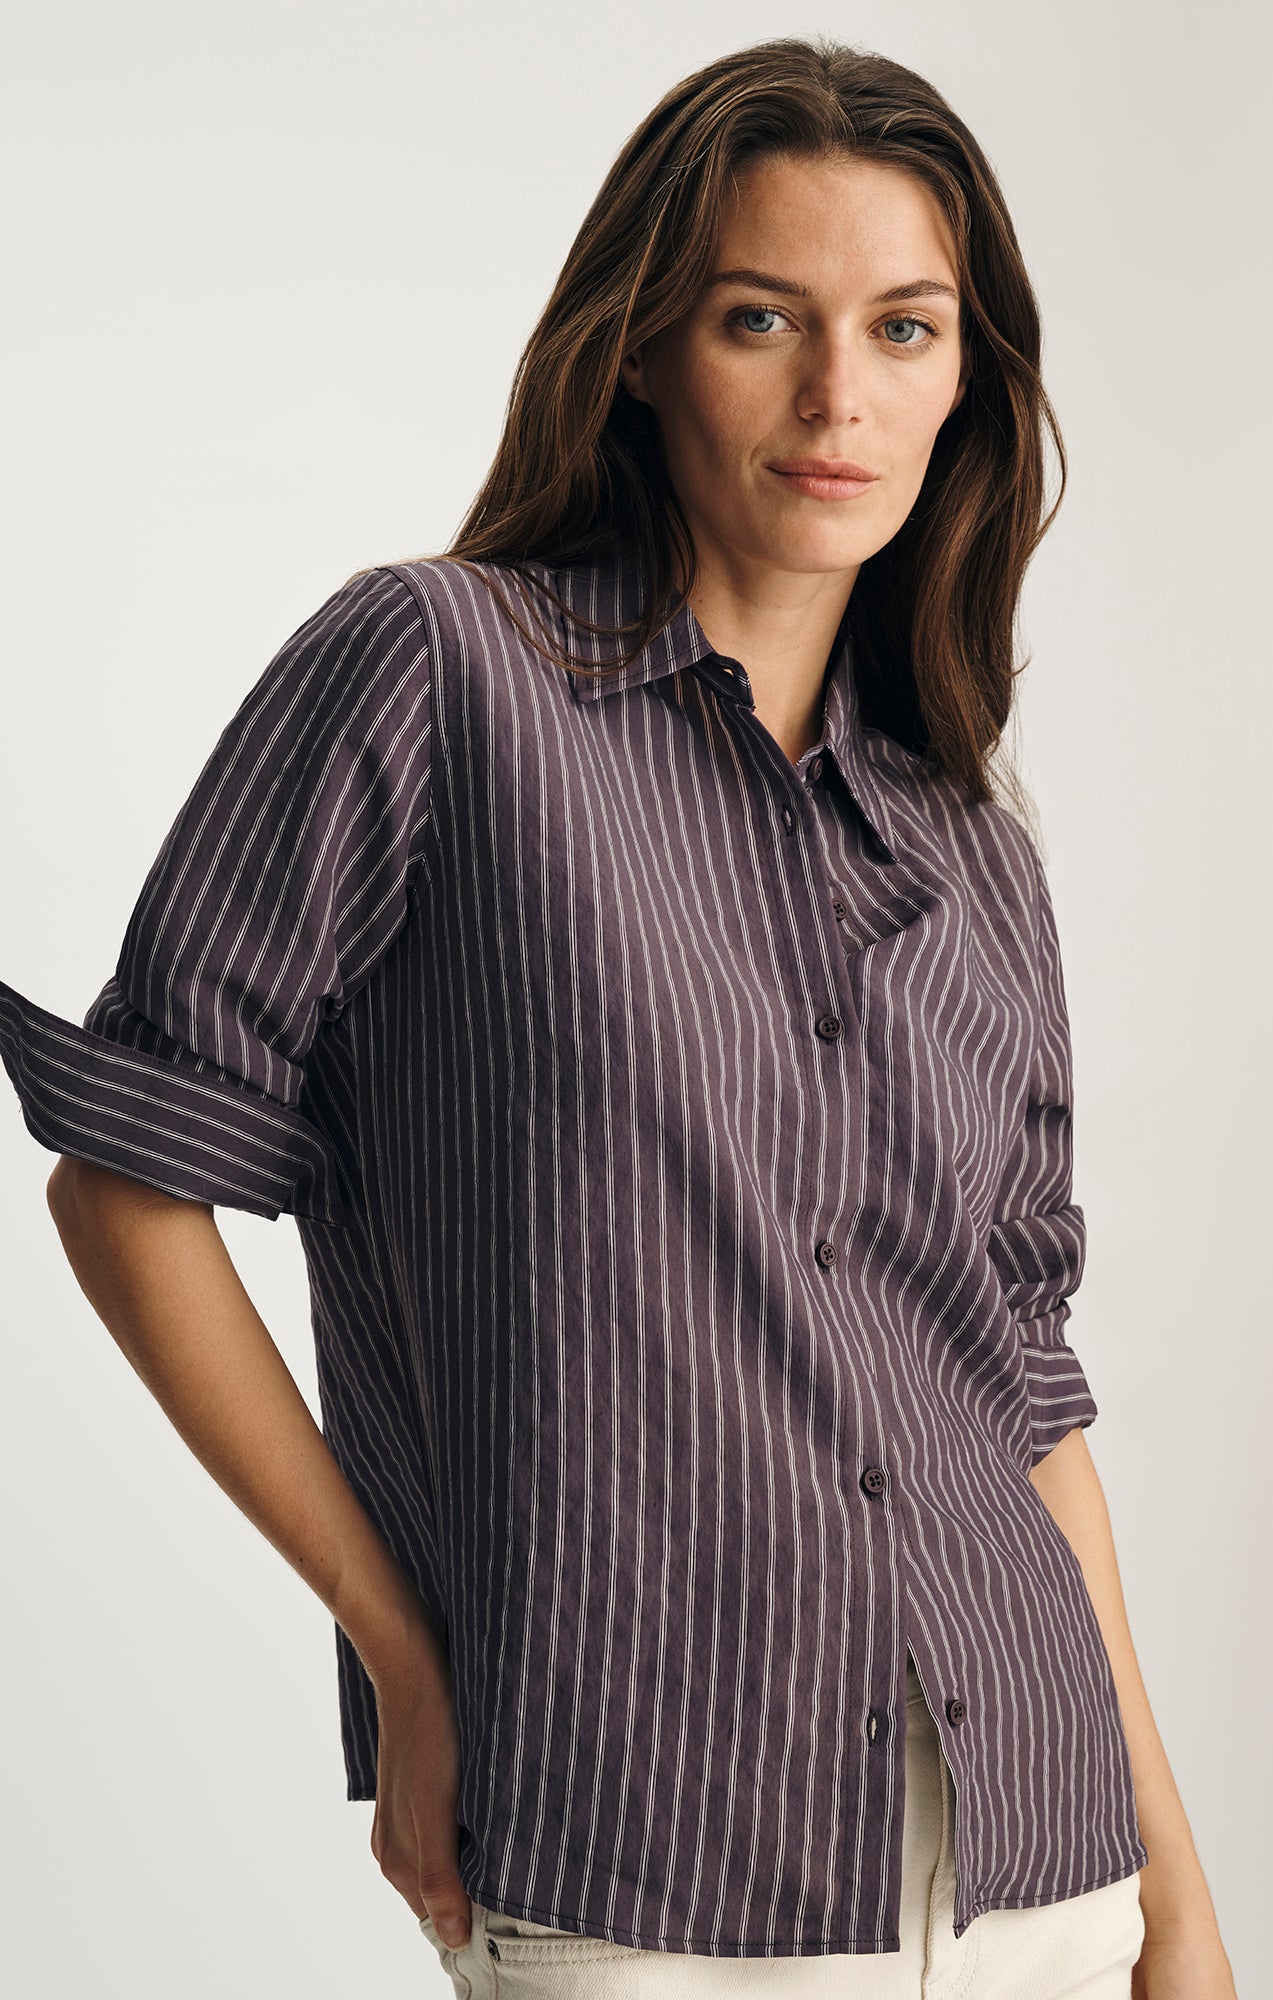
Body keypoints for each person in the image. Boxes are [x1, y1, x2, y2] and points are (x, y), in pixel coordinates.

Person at [0, 33, 1237, 2000]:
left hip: (1042, 1872)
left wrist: (1179, 1899)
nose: (837, 396)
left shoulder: (968, 845)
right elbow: (127, 1182)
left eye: (903, 329)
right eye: (762, 317)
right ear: (644, 347)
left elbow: (1018, 1396)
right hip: (642, 1862)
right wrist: (404, 1660)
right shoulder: (434, 675)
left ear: (964, 381)